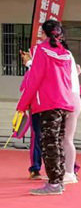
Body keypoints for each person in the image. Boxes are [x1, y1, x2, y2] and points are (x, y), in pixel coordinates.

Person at [16, 20, 76, 195]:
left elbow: (34, 79)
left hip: (49, 103)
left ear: (44, 33)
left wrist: (23, 104)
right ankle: (58, 180)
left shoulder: (42, 50)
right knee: (57, 142)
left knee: (49, 143)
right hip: (64, 102)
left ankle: (55, 184)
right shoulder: (65, 52)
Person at [20, 38, 43, 179]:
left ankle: (35, 168)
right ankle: (70, 168)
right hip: (53, 106)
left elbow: (26, 88)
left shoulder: (35, 69)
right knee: (59, 138)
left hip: (41, 107)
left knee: (37, 138)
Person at [62, 49, 81, 183]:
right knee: (66, 139)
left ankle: (69, 172)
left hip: (69, 100)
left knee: (66, 139)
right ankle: (68, 171)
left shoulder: (64, 57)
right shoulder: (69, 58)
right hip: (73, 99)